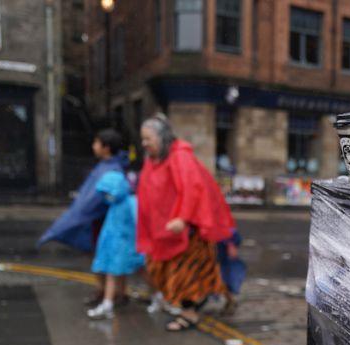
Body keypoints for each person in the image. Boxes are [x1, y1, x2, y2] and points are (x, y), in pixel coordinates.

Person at [136, 114, 236, 332]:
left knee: (187, 274)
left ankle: (190, 312)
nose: (144, 144)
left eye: (148, 139)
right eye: (142, 139)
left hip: (187, 231)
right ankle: (224, 297)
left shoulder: (180, 156)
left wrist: (182, 217)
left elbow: (192, 189)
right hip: (163, 229)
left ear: (162, 138)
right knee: (170, 269)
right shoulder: (153, 160)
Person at [38, 128, 129, 306]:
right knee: (106, 257)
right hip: (100, 220)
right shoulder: (109, 167)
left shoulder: (110, 169)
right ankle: (112, 292)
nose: (93, 146)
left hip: (103, 221)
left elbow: (98, 197)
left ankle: (110, 293)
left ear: (106, 147)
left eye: (96, 143)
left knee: (106, 258)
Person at [86, 151, 145, 320]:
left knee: (116, 272)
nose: (106, 197)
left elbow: (133, 224)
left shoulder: (127, 203)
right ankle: (117, 298)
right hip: (117, 245)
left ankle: (108, 303)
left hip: (123, 244)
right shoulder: (118, 204)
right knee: (118, 271)